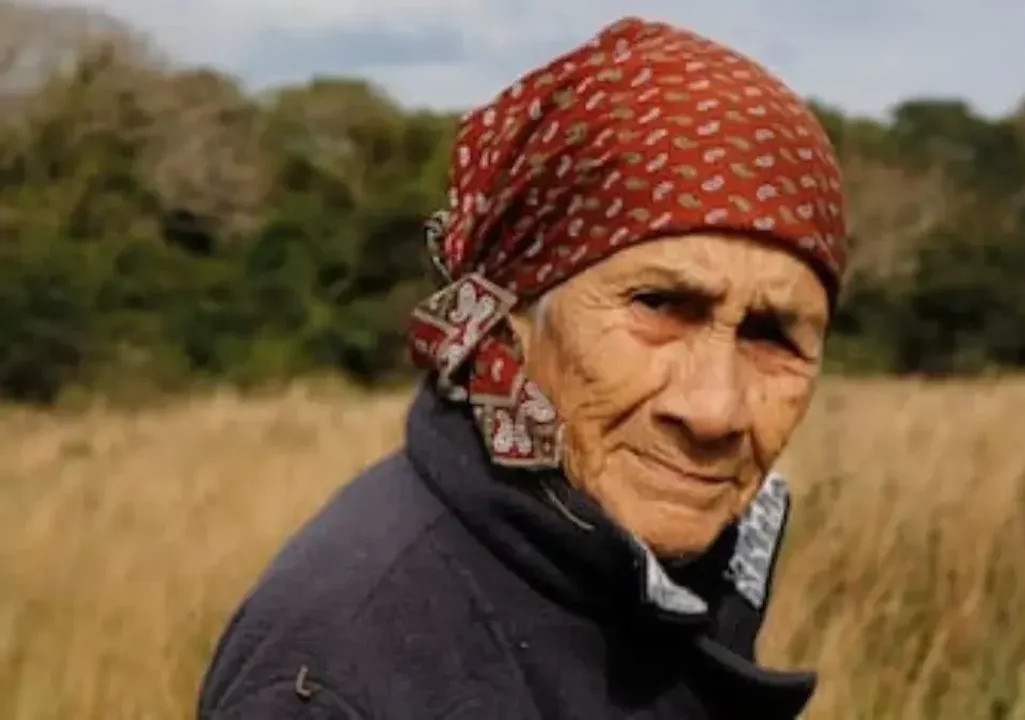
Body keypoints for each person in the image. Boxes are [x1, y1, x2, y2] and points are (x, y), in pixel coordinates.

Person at [196, 15, 847, 720]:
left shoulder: (659, 583)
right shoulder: (343, 675)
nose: (714, 408)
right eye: (658, 305)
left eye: (773, 334)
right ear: (513, 315)